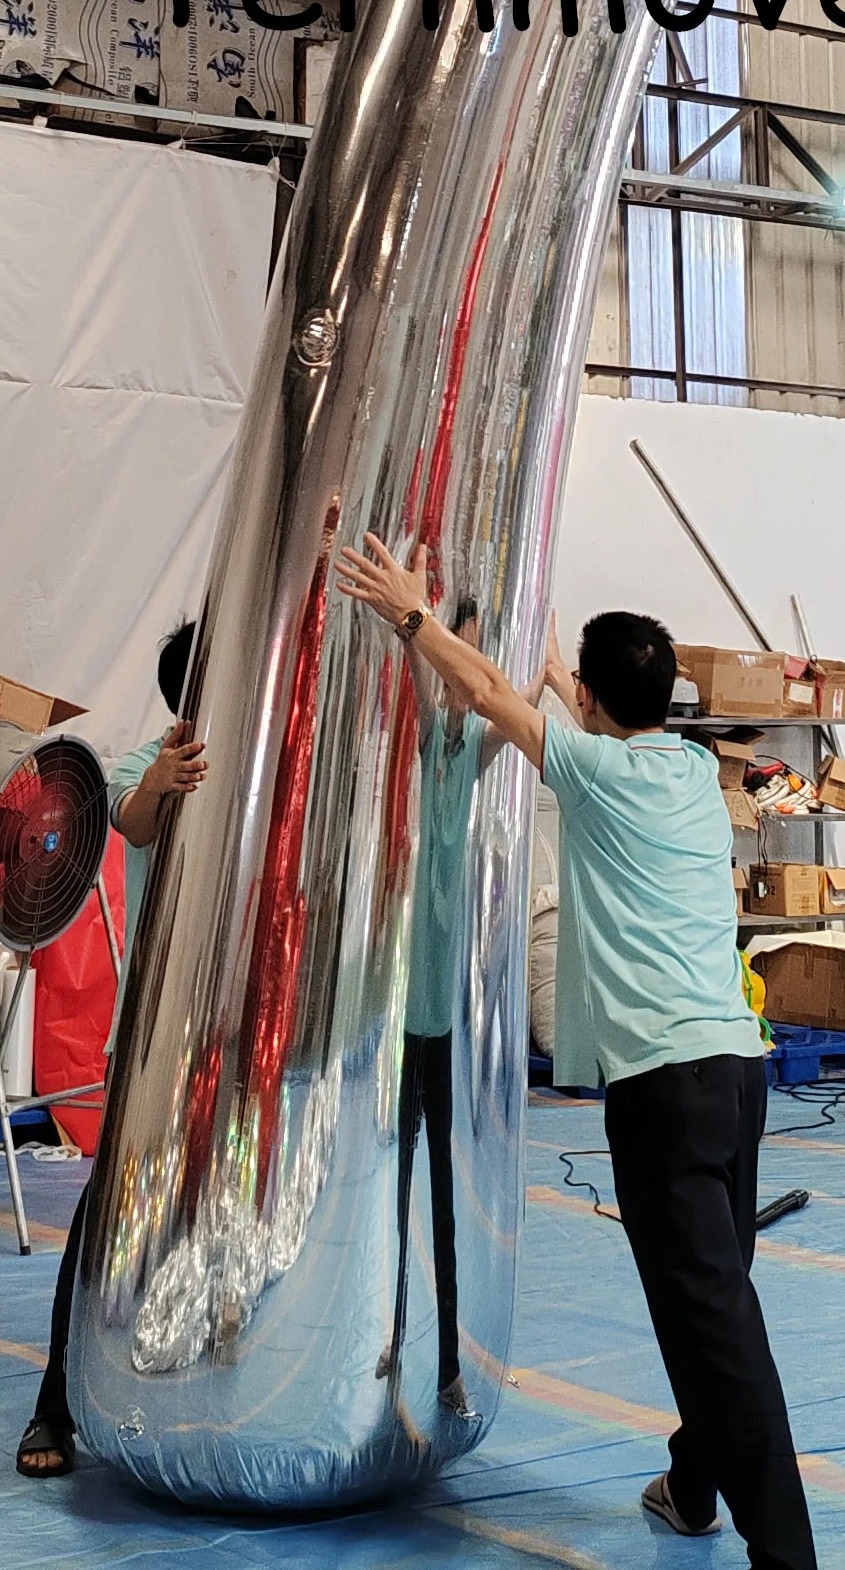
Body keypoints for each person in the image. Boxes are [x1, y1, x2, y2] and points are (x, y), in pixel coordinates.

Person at [332, 535, 815, 1570]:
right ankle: (693, 1482)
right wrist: (568, 677)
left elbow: (490, 696)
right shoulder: (690, 767)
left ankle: (787, 1554)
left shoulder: (593, 771)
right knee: (712, 1295)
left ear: (591, 704)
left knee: (717, 1328)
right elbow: (558, 704)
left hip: (663, 1091)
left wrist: (410, 614)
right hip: (740, 1077)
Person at [17, 619, 207, 1479]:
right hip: (158, 1040)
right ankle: (53, 1406)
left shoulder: (280, 775)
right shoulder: (149, 766)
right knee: (109, 1218)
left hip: (246, 1051)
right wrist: (164, 783)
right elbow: (132, 819)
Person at [385, 600, 486, 1415]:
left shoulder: (475, 749)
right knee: (389, 1187)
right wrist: (415, 615)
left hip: (442, 1017)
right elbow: (424, 683)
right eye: (457, 658)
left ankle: (447, 1360)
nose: (461, 678)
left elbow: (493, 697)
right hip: (392, 1016)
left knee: (442, 1199)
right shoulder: (417, 746)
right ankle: (387, 1329)